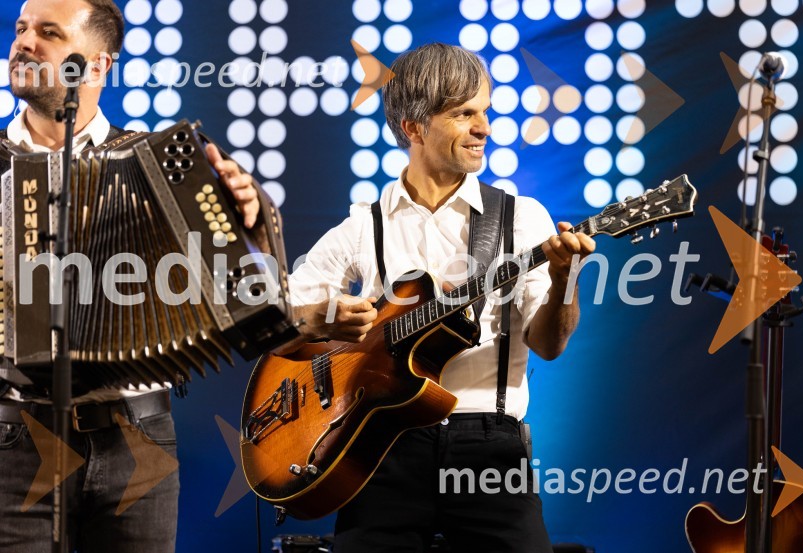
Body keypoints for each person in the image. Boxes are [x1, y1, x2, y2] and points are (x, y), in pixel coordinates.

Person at [287, 43, 596, 552]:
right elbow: (283, 317)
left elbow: (549, 345)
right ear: (414, 128)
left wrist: (566, 279)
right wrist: (324, 319)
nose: (484, 128)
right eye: (464, 114)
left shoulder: (523, 218)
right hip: (384, 447)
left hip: (490, 449)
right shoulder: (367, 223)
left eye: (485, 112)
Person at [0, 0, 261, 551]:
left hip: (137, 437)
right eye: (21, 29)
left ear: (96, 66)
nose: (24, 42)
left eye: (48, 32)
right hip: (15, 435)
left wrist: (249, 217)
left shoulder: (156, 161)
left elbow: (228, 282)